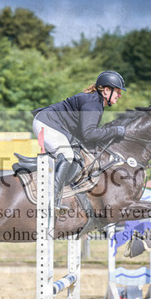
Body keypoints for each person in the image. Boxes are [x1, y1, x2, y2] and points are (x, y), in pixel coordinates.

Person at [32, 70, 127, 212]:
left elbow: (85, 135)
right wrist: (115, 131)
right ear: (106, 91)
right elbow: (88, 134)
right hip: (47, 124)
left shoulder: (95, 102)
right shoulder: (93, 104)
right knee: (68, 155)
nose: (119, 95)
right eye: (117, 92)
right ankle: (51, 199)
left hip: (52, 125)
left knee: (79, 155)